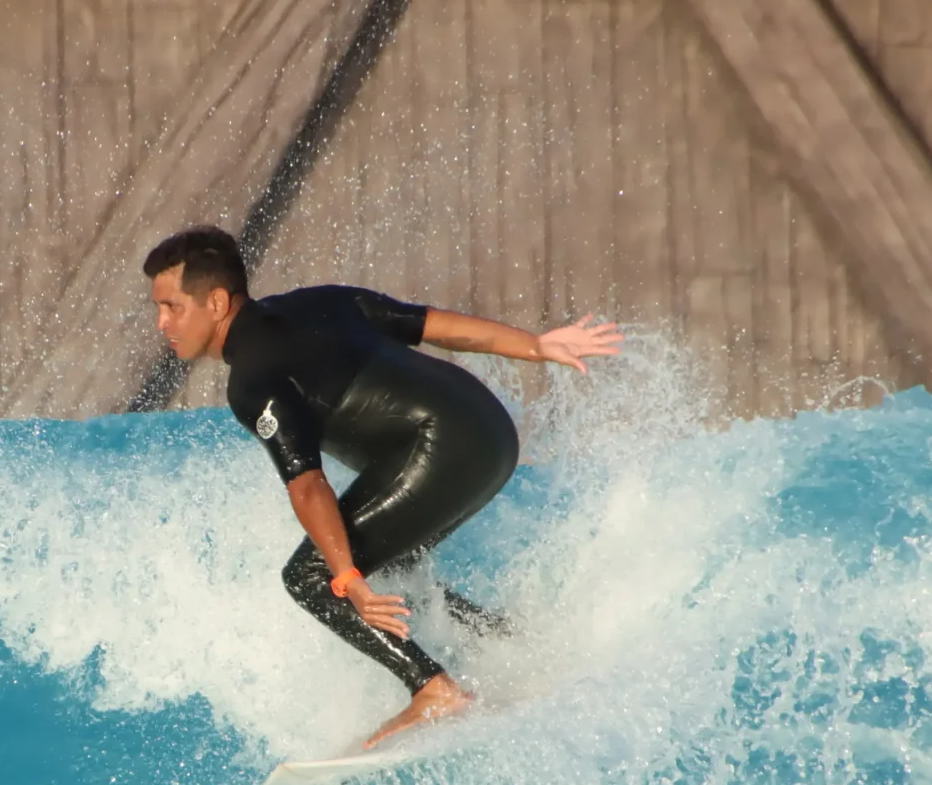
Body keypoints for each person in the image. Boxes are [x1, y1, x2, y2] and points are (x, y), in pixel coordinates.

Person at [144, 226, 623, 749]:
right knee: (391, 567)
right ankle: (511, 642)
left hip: (440, 446)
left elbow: (307, 485)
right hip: (490, 430)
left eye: (171, 307)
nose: (162, 323)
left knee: (311, 576)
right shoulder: (319, 301)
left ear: (215, 302)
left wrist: (347, 578)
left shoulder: (253, 378)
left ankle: (434, 689)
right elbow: (433, 325)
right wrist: (533, 345)